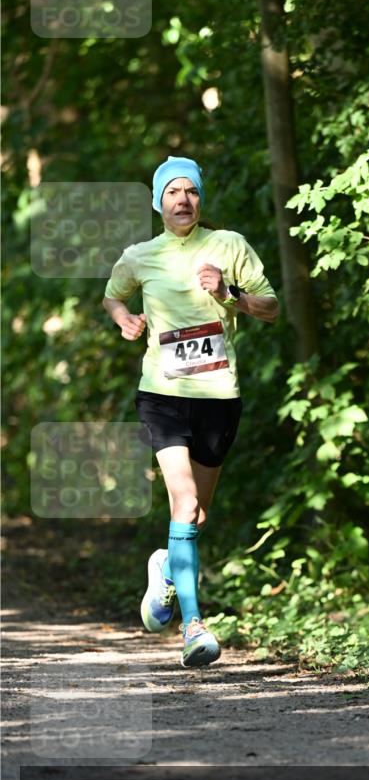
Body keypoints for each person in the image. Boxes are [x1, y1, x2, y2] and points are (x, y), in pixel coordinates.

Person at [102, 156, 279, 667]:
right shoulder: (140, 256)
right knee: (183, 503)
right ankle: (195, 628)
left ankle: (165, 566)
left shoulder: (230, 247)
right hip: (162, 394)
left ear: (200, 199)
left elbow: (270, 306)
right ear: (159, 203)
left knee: (198, 513)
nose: (183, 200)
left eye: (192, 192)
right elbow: (112, 297)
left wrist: (230, 293)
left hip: (219, 398)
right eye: (173, 192)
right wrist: (124, 319)